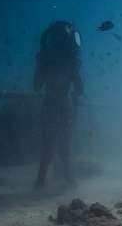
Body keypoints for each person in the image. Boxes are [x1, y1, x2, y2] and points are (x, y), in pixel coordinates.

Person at [33, 21, 84, 189]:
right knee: (65, 146)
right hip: (65, 104)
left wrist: (41, 64)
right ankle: (70, 183)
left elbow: (36, 85)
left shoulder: (46, 60)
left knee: (47, 145)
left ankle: (40, 182)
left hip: (49, 103)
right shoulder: (71, 62)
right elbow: (79, 88)